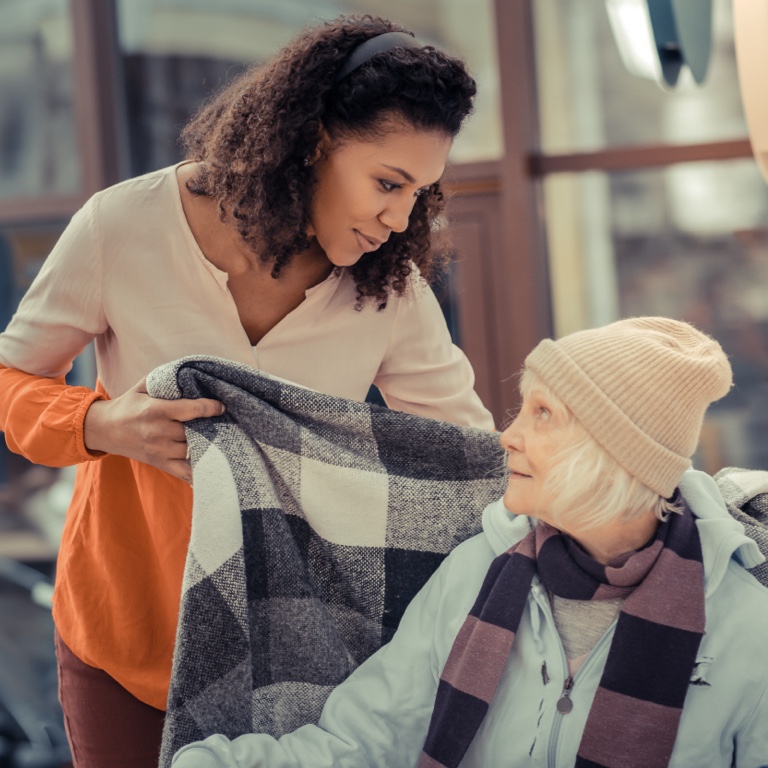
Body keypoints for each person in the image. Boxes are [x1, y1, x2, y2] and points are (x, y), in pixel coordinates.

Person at [0, 16, 494, 768]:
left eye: (418, 193)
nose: (400, 219)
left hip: (296, 662)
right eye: (388, 184)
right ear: (313, 141)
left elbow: (469, 459)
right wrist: (100, 422)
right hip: (125, 638)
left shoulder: (389, 292)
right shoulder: (122, 228)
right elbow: (10, 379)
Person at [171, 317, 768, 768]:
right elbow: (363, 746)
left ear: (614, 452)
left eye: (543, 413)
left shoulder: (747, 626)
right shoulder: (478, 570)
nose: (508, 435)